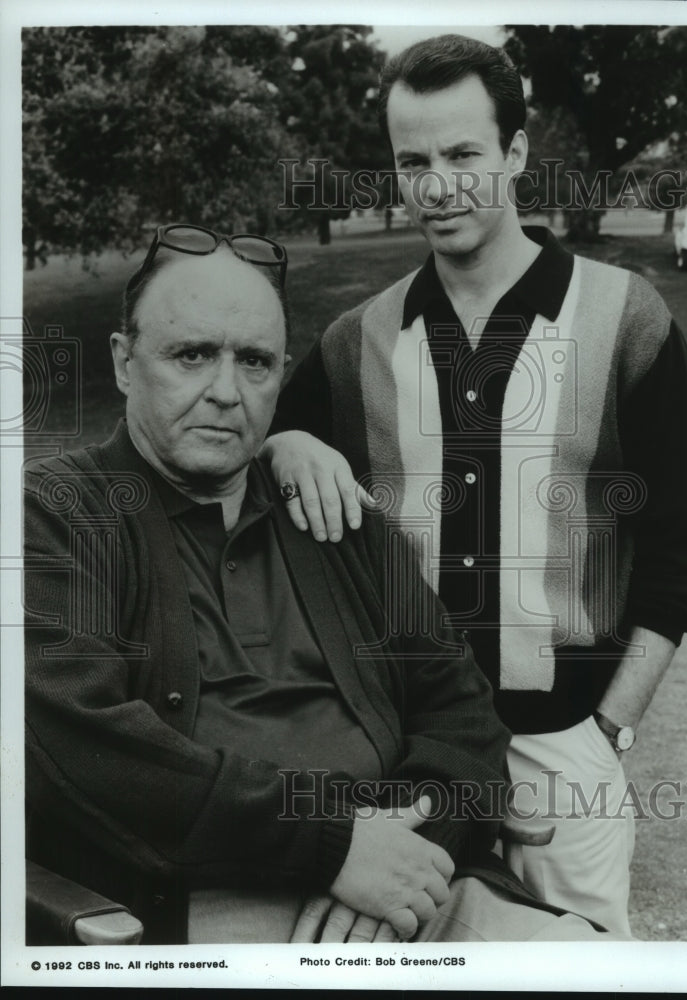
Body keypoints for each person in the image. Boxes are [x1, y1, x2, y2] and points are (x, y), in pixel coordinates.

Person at [24, 225, 624, 946]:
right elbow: (76, 745)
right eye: (191, 355)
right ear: (124, 362)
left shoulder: (335, 513)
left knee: (590, 962)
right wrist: (333, 843)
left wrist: (403, 842)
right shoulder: (59, 514)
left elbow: (463, 709)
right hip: (206, 897)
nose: (225, 390)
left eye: (254, 362)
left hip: (411, 879)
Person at [263, 35, 687, 936]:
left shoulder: (626, 318)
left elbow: (681, 566)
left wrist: (606, 735)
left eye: (464, 154)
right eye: (414, 161)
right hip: (404, 760)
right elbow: (246, 453)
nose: (439, 185)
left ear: (515, 152)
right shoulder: (355, 342)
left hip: (563, 750)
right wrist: (283, 442)